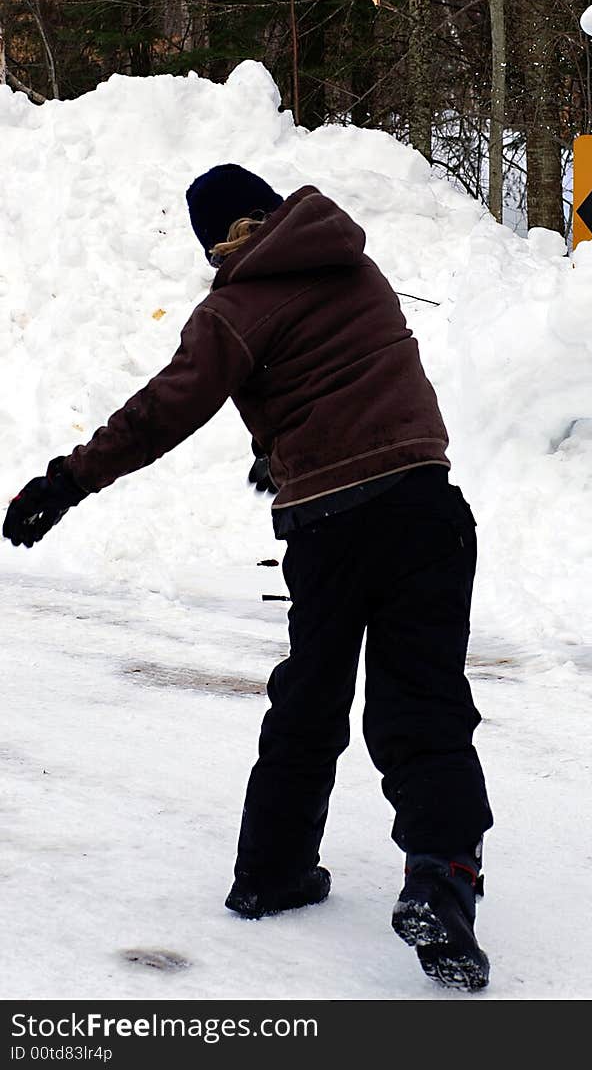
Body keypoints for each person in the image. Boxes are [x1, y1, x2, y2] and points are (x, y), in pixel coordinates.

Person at [3, 164, 493, 992]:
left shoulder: (232, 309)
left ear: (213, 239)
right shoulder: (354, 262)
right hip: (425, 505)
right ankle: (441, 877)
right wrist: (282, 449)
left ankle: (272, 871)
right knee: (427, 705)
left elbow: (159, 413)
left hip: (331, 529)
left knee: (309, 699)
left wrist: (67, 481)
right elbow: (348, 374)